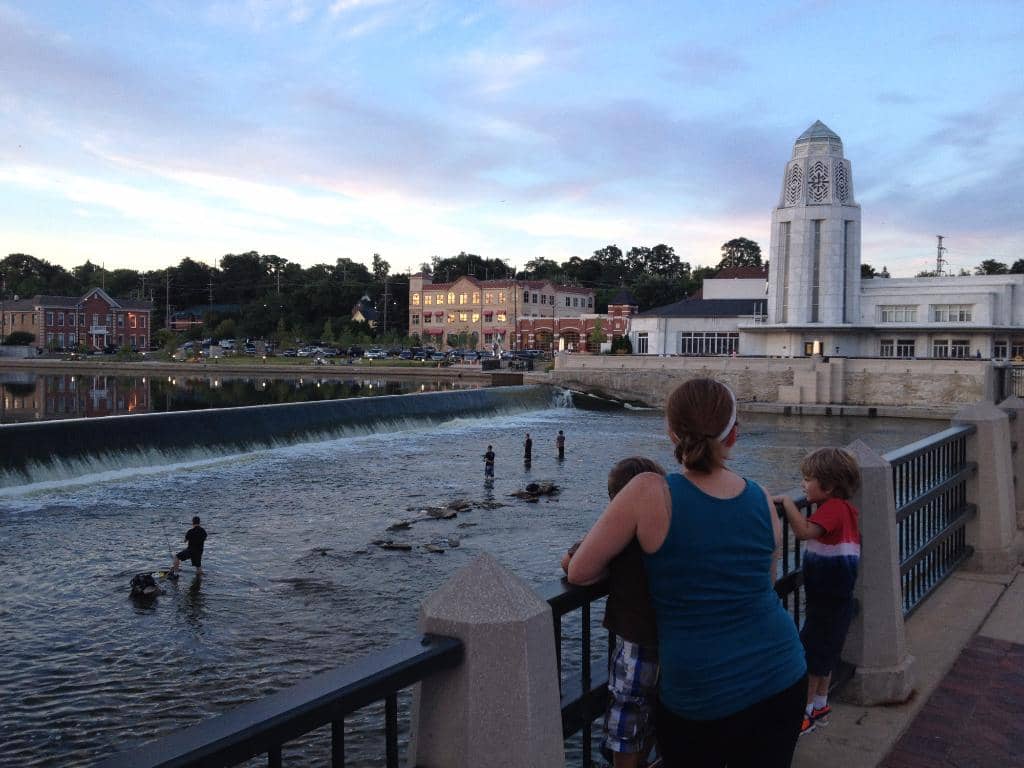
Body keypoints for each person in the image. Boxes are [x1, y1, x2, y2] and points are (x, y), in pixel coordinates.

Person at [568, 378, 806, 768]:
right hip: (782, 673)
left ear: (671, 432)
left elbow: (580, 572)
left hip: (700, 692)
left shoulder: (649, 490)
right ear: (733, 436)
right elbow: (764, 584)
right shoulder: (761, 498)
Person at [562, 456, 666, 768]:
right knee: (656, 717)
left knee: (627, 723)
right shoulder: (667, 529)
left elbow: (573, 567)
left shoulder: (618, 535)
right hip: (672, 642)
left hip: (636, 645)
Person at [773, 448, 861, 736]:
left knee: (812, 656)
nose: (802, 485)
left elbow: (804, 532)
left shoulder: (833, 509)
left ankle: (804, 713)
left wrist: (787, 503)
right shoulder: (847, 510)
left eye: (808, 479)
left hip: (826, 601)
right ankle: (821, 703)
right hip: (838, 598)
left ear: (828, 485)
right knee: (827, 653)